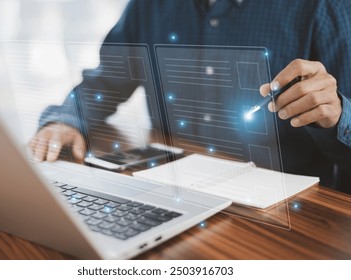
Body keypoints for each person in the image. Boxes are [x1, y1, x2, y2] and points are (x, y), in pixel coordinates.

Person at [29, 0, 351, 193]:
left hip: (280, 215)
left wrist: (337, 114)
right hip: (169, 195)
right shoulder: (149, 5)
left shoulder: (324, 7)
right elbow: (105, 83)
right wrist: (67, 120)